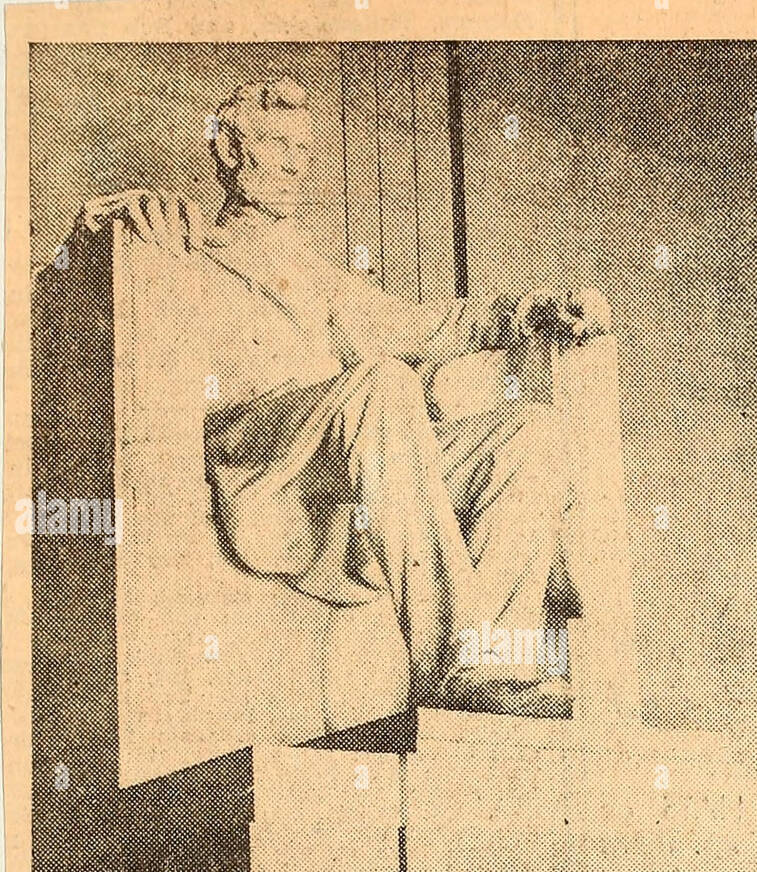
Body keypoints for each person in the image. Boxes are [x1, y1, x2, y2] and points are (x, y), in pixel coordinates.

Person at [70, 78, 611, 716]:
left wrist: (535, 309)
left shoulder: (324, 276)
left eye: (302, 147)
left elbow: (432, 325)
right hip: (262, 462)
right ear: (225, 150)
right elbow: (89, 248)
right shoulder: (185, 243)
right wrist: (109, 220)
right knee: (388, 384)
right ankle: (459, 646)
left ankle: (488, 652)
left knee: (533, 431)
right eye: (273, 143)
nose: (295, 163)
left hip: (348, 469)